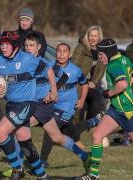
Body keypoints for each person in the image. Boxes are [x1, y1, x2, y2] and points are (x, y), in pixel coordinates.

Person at [0, 31, 49, 180]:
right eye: (2, 44)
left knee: (0, 132)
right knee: (24, 141)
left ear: (15, 46)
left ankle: (17, 168)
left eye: (6, 44)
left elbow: (48, 69)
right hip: (11, 104)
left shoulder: (27, 59)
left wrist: (54, 91)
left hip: (26, 103)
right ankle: (43, 175)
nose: (3, 47)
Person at [78, 38, 133, 180]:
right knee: (97, 136)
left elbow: (123, 84)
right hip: (116, 109)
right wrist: (125, 85)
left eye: (100, 55)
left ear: (108, 53)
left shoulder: (113, 65)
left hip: (128, 111)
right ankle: (93, 174)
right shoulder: (124, 59)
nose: (99, 58)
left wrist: (108, 93)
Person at [39, 42, 90, 172]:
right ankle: (85, 155)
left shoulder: (76, 70)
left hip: (66, 106)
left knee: (50, 131)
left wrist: (82, 99)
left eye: (64, 51)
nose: (61, 54)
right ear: (55, 53)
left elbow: (85, 84)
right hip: (50, 104)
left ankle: (42, 162)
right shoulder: (49, 66)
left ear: (69, 54)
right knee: (65, 133)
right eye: (59, 51)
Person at [72, 25, 106, 147]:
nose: (93, 38)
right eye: (91, 35)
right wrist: (84, 81)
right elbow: (74, 65)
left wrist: (94, 82)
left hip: (92, 85)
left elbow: (102, 68)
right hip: (79, 83)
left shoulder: (102, 51)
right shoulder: (81, 48)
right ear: (87, 36)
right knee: (79, 111)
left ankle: (91, 126)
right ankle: (76, 138)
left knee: (93, 101)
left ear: (99, 37)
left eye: (95, 36)